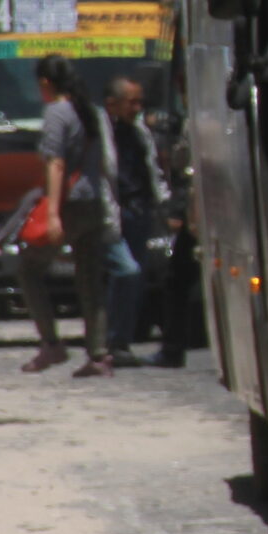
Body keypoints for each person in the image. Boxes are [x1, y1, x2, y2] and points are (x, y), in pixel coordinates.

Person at [16, 54, 115, 376]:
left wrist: (54, 213)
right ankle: (99, 354)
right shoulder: (92, 111)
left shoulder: (57, 112)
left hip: (70, 204)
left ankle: (51, 344)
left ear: (46, 82)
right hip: (93, 202)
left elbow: (55, 163)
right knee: (90, 279)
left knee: (29, 269)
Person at [97, 76, 163, 367]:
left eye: (140, 102)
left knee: (132, 281)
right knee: (127, 272)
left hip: (140, 212)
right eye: (131, 102)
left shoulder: (138, 132)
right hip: (113, 213)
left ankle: (120, 344)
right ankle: (109, 339)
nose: (138, 108)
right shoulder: (99, 133)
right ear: (112, 104)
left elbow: (151, 169)